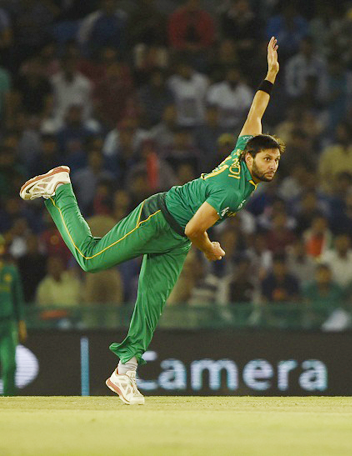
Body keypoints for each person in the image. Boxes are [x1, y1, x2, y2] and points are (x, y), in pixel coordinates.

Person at [18, 38, 284, 406]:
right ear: (251, 157)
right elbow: (195, 229)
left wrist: (271, 74)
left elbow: (257, 109)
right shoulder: (231, 190)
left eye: (276, 160)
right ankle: (60, 188)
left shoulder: (244, 148)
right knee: (91, 259)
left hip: (174, 239)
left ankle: (125, 371)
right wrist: (209, 249)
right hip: (159, 218)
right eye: (267, 159)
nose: (273, 166)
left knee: (151, 306)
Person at [0, 235, 25, 396]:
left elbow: (18, 300)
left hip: (7, 324)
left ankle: (8, 400)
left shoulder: (11, 272)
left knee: (10, 365)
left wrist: (21, 324)